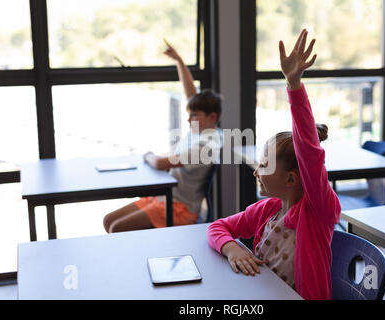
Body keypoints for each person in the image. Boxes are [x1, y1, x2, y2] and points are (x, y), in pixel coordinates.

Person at [207, 29, 341, 300]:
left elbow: (310, 155)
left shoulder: (317, 212)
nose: (256, 171)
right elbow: (216, 227)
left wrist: (294, 85)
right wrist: (233, 249)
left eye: (265, 165)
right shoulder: (268, 209)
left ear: (292, 178)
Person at [104, 40, 222, 233]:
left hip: (180, 208)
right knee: (109, 221)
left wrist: (148, 155)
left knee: (117, 228)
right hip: (164, 197)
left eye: (194, 115)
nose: (188, 119)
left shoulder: (206, 146)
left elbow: (160, 164)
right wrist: (179, 61)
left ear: (212, 117)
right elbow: (192, 95)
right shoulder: (202, 129)